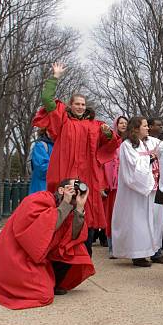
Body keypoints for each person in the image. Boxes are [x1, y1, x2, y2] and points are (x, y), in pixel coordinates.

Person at [32, 63, 121, 256]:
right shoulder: (62, 121)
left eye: (83, 104)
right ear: (70, 105)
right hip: (65, 175)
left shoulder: (95, 125)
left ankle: (84, 255)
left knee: (86, 214)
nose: (80, 107)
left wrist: (108, 134)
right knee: (64, 211)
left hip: (88, 177)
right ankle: (60, 255)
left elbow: (112, 142)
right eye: (76, 104)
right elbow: (47, 100)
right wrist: (55, 77)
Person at [0, 178, 94, 309]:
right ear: (61, 190)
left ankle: (54, 283)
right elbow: (37, 233)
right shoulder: (40, 198)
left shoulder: (69, 209)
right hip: (18, 254)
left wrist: (79, 207)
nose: (77, 191)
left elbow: (73, 237)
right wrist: (65, 202)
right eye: (74, 186)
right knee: (43, 295)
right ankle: (6, 288)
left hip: (38, 254)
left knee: (76, 248)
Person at [111, 116, 163, 267]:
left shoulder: (151, 141)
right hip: (137, 191)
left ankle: (155, 250)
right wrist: (150, 158)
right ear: (136, 128)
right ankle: (138, 253)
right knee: (138, 221)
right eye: (145, 126)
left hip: (153, 188)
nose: (148, 128)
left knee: (156, 220)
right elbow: (133, 165)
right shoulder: (127, 145)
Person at [103, 116, 128, 257]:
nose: (123, 125)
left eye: (126, 123)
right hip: (113, 184)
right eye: (121, 123)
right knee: (112, 214)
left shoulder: (131, 141)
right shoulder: (110, 141)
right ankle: (112, 247)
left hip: (127, 182)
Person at [148, 117, 163, 251]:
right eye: (157, 125)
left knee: (160, 218)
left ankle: (160, 244)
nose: (161, 127)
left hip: (160, 183)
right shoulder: (141, 143)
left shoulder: (162, 141)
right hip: (148, 184)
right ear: (150, 126)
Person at [28, 128, 55, 194]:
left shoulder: (57, 146)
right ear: (46, 131)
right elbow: (42, 169)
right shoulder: (40, 145)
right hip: (41, 189)